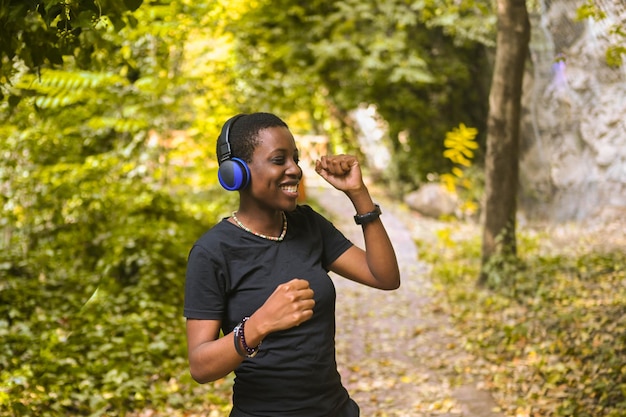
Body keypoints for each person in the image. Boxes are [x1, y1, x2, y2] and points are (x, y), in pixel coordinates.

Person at [184, 112, 400, 417]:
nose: (295, 170)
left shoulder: (308, 224)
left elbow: (385, 276)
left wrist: (358, 194)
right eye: (279, 160)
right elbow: (200, 365)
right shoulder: (212, 251)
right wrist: (259, 325)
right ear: (237, 173)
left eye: (295, 159)